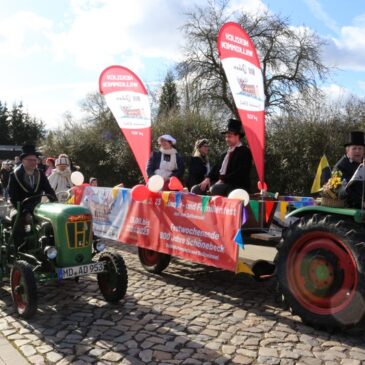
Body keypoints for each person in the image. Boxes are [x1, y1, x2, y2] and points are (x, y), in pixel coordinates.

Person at [192, 119, 252, 196]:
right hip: (221, 183)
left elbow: (240, 173)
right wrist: (208, 178)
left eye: (229, 136)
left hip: (236, 185)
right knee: (196, 189)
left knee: (215, 189)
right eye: (226, 137)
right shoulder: (225, 153)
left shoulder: (244, 152)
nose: (227, 139)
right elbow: (216, 168)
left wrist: (223, 180)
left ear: (237, 136)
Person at [8, 145, 57, 222]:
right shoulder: (14, 175)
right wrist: (25, 213)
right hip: (19, 207)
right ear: (23, 160)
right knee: (17, 219)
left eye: (35, 160)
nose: (34, 162)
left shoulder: (40, 173)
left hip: (37, 206)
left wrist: (55, 203)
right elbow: (13, 197)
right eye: (30, 160)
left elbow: (49, 190)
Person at [334, 131, 365, 208]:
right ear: (347, 151)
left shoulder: (362, 163)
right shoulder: (340, 167)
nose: (357, 151)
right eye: (354, 148)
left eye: (360, 148)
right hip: (350, 207)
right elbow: (345, 191)